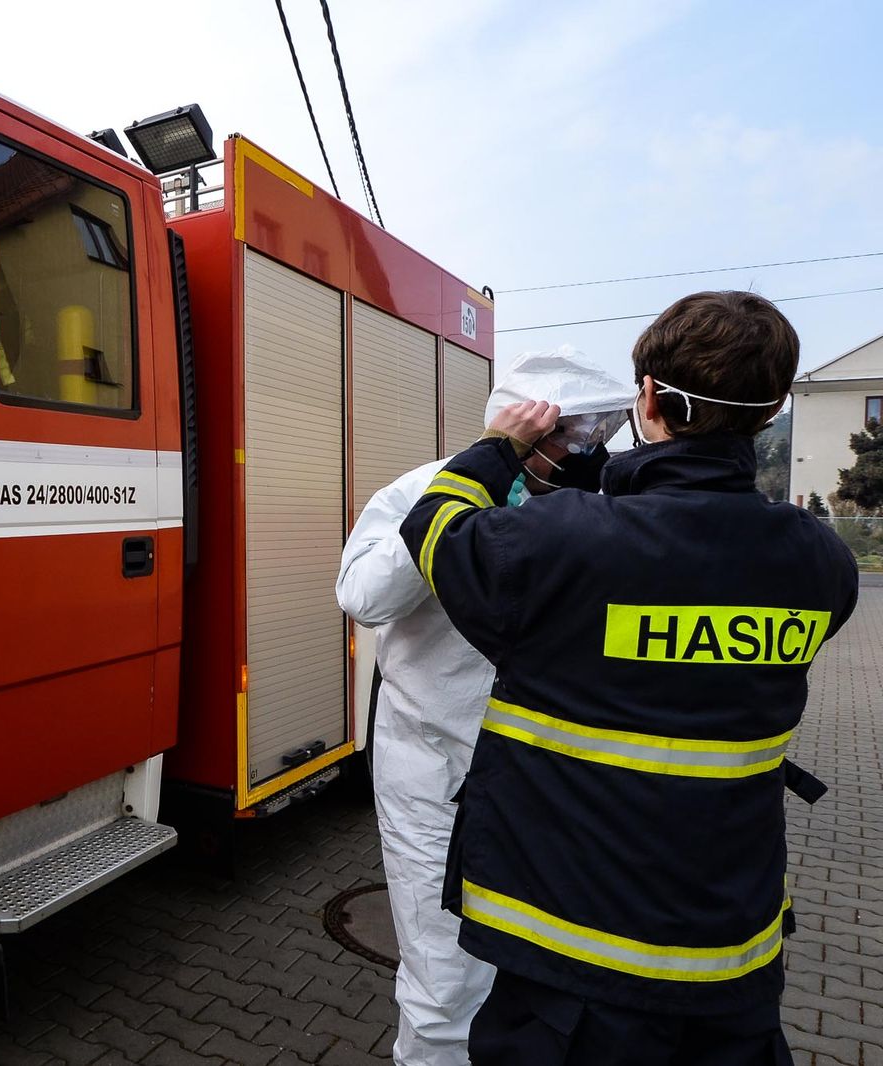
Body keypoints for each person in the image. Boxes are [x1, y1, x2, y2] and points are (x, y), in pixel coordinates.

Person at [397, 291, 859, 1065]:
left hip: (574, 963)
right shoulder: (820, 563)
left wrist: (498, 448)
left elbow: (437, 527)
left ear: (648, 397)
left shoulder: (563, 544)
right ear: (774, 405)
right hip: (729, 959)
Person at [336, 347, 632, 1066]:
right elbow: (363, 597)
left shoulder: (595, 508)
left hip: (549, 782)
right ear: (518, 430)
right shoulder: (427, 488)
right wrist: (470, 486)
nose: (583, 455)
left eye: (599, 438)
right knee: (445, 979)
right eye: (567, 439)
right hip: (437, 774)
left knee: (535, 975)